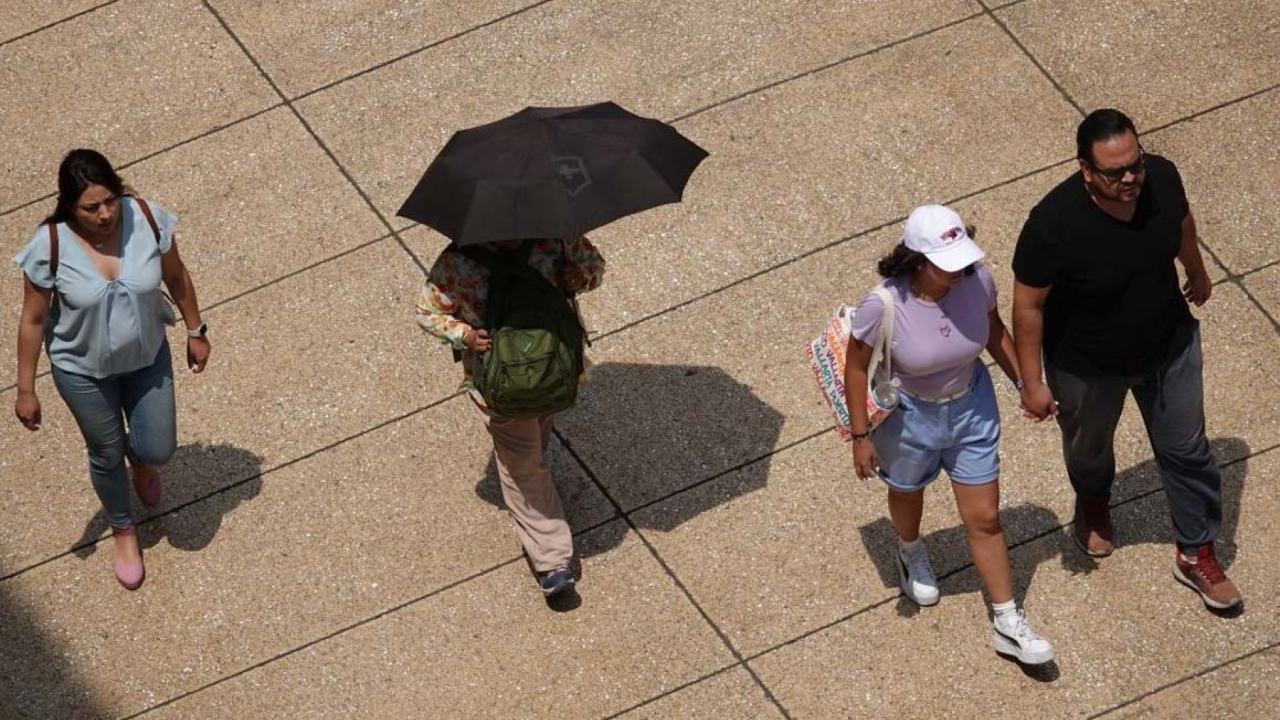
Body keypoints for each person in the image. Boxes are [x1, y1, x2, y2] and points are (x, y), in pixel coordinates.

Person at [1012, 108, 1240, 612]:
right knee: (1088, 449)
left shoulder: (1160, 176)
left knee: (1187, 449)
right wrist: (1031, 382)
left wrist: (1196, 270)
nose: (1131, 178)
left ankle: (1196, 549)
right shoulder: (1052, 225)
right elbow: (1027, 307)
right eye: (1115, 172)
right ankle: (1093, 500)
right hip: (1086, 365)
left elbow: (1181, 222)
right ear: (1085, 169)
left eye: (1134, 164)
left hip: (1169, 343)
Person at [845, 205, 1054, 665]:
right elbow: (856, 366)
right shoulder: (882, 305)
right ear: (918, 258)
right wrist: (860, 435)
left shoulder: (977, 281)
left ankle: (1007, 621)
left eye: (964, 256)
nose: (961, 268)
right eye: (949, 261)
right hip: (908, 416)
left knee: (984, 517)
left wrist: (1026, 383)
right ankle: (909, 550)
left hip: (971, 409)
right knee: (907, 491)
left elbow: (996, 331)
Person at [13, 148, 210, 590]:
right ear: (69, 206)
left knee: (158, 448)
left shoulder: (147, 218)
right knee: (105, 451)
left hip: (146, 359)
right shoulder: (50, 246)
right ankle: (123, 528)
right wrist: (26, 389)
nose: (104, 214)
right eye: (91, 207)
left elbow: (176, 277)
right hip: (81, 370)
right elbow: (33, 320)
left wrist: (196, 330)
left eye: (110, 201)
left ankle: (142, 465)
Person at [416, 237, 604, 598]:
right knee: (523, 467)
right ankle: (552, 560)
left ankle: (537, 485)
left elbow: (427, 312)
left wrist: (464, 335)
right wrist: (579, 276)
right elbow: (595, 268)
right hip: (541, 372)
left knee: (531, 447)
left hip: (540, 378)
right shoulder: (555, 237)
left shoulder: (457, 262)